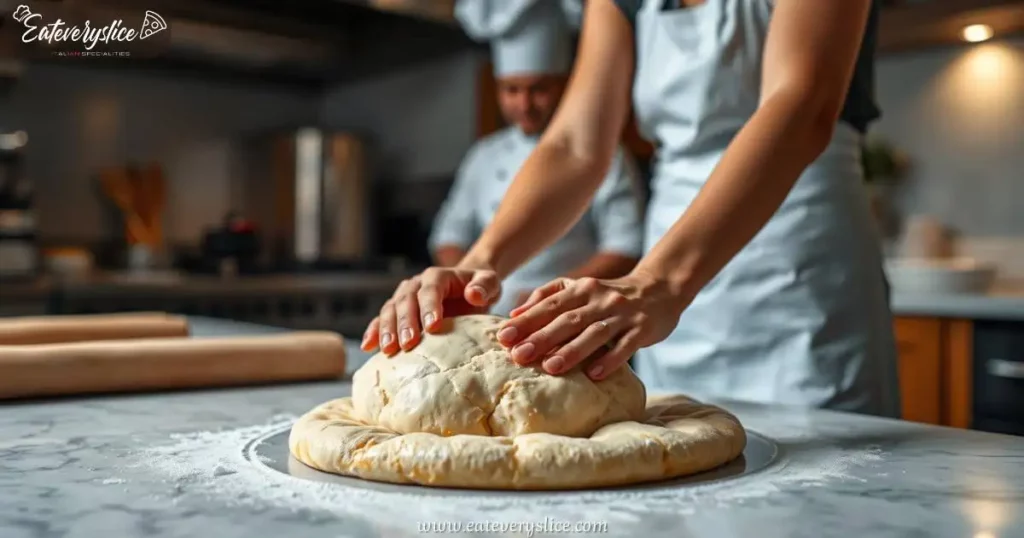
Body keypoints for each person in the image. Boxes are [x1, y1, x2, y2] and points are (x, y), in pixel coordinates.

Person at [363, 0, 900, 418]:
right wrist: (480, 264)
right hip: (667, 290)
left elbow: (801, 103)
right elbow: (575, 144)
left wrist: (660, 283)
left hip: (800, 256)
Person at [429, 0, 646, 318]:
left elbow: (624, 246)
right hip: (487, 316)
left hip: (567, 316)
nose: (525, 104)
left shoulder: (610, 156)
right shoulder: (483, 155)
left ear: (566, 86)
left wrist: (552, 295)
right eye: (511, 90)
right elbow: (450, 235)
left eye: (538, 89)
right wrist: (466, 279)